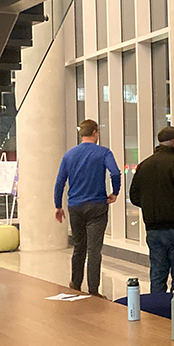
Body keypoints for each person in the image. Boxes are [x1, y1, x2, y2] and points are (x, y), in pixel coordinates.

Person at [129, 126, 174, 294]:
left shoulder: (143, 166)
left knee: (157, 275)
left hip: (153, 229)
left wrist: (152, 205)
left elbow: (134, 197)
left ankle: (157, 314)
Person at [54, 119, 121, 297]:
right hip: (97, 205)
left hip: (75, 206)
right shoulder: (103, 152)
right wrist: (115, 192)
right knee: (94, 250)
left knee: (79, 247)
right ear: (95, 133)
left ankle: (75, 284)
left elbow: (60, 181)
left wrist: (58, 206)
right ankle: (93, 290)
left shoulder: (69, 155)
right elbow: (115, 172)